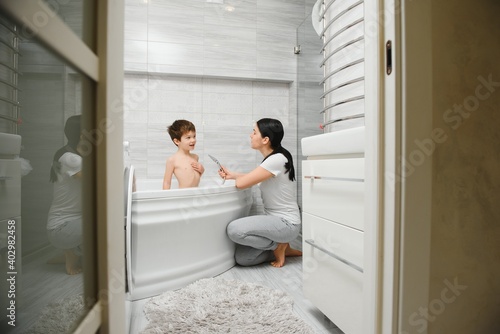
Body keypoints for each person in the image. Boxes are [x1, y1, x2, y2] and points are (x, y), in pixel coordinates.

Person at [219, 118, 302, 268]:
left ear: (265, 139)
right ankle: (284, 248)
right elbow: (252, 177)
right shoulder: (274, 158)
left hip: (287, 223)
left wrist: (237, 179)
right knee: (243, 258)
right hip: (276, 222)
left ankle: (278, 246)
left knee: (234, 230)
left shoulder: (276, 160)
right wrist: (232, 175)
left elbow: (242, 184)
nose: (251, 135)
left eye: (254, 132)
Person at [46, 115, 84, 275]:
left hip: (66, 226)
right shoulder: (72, 159)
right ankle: (71, 256)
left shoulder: (69, 154)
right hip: (62, 229)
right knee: (107, 223)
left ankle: (68, 252)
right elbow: (97, 185)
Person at [163, 119, 204, 190]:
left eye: (194, 136)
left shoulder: (195, 157)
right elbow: (167, 182)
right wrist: (165, 199)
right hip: (184, 196)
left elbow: (194, 179)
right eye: (188, 137)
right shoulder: (172, 160)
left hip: (195, 194)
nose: (193, 140)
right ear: (177, 141)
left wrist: (202, 171)